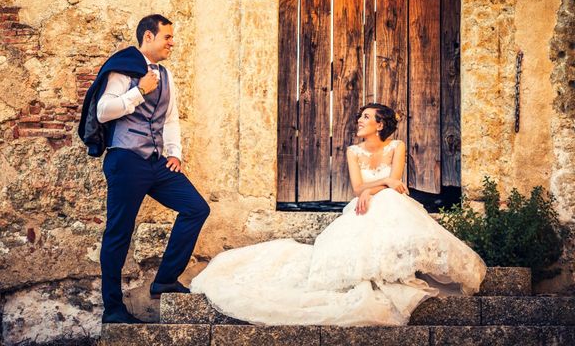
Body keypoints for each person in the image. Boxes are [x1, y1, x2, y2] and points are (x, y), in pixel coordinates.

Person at [190, 103, 486, 326]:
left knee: (389, 206)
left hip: (391, 202)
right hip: (366, 202)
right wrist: (376, 186)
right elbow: (359, 188)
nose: (360, 120)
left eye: (367, 117)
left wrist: (376, 188)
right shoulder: (353, 151)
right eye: (361, 116)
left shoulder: (397, 146)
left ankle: (391, 269)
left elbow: (398, 183)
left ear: (380, 125)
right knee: (370, 207)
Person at [79, 14, 210, 324]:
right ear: (148, 37)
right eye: (167, 37)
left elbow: (170, 118)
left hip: (156, 162)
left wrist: (174, 153)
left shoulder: (166, 75)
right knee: (119, 233)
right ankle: (113, 310)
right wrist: (139, 91)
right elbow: (103, 110)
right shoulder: (124, 68)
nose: (172, 42)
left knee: (196, 208)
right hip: (125, 160)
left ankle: (165, 279)